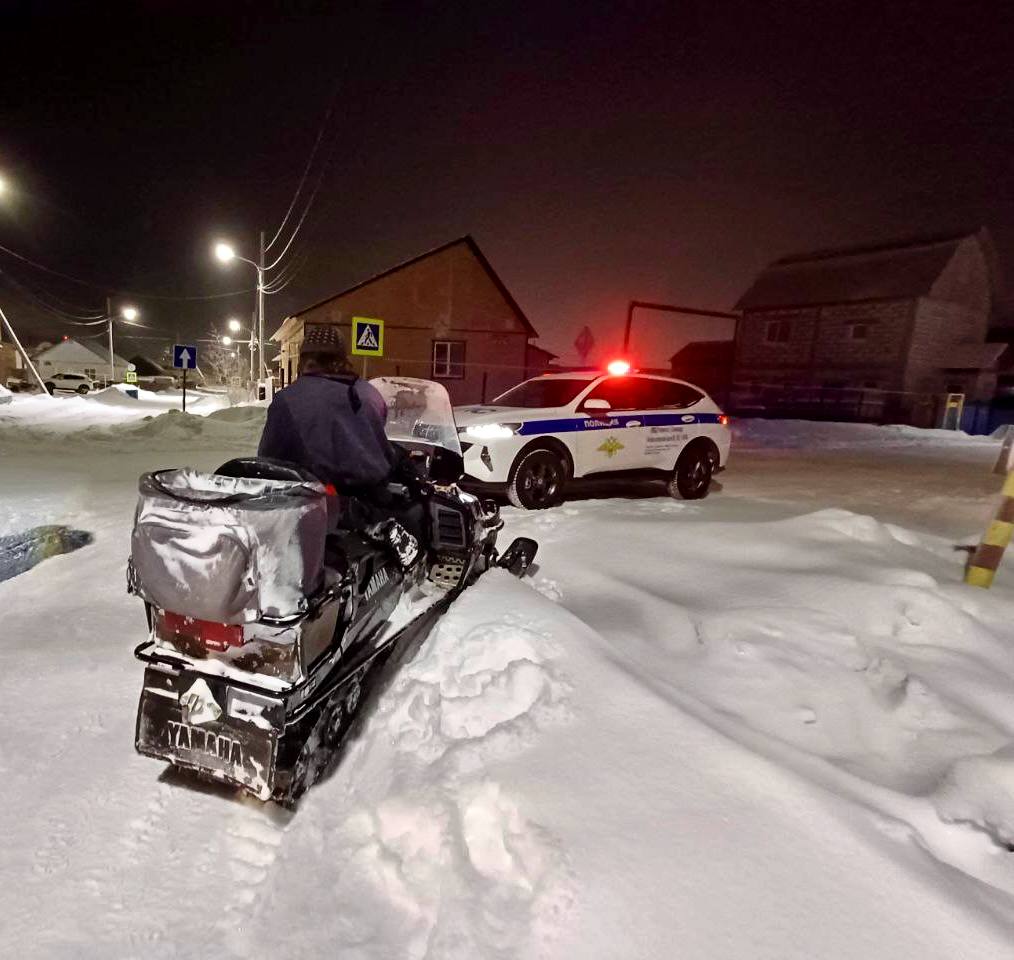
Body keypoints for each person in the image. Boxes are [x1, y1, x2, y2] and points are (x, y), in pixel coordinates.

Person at [257, 325, 423, 560]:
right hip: (370, 500)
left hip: (315, 502)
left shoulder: (288, 399)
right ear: (342, 358)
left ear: (304, 360)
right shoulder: (369, 393)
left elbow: (268, 460)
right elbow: (376, 437)